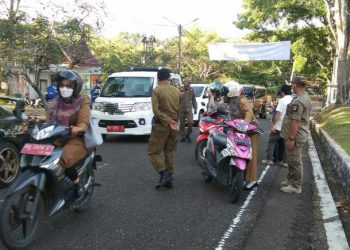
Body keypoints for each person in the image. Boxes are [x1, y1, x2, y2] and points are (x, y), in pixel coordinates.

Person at [46, 70, 91, 202]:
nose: (65, 88)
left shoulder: (83, 101)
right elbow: (47, 120)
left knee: (63, 157)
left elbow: (84, 120)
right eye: (62, 85)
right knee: (40, 156)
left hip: (76, 138)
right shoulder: (54, 102)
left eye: (69, 86)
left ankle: (78, 185)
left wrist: (79, 128)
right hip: (57, 137)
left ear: (75, 88)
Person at [147, 68, 181, 189]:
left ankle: (164, 172)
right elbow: (180, 110)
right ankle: (169, 178)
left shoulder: (157, 91)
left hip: (162, 125)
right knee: (169, 151)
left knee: (152, 152)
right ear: (169, 78)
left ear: (158, 77)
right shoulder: (176, 90)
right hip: (174, 125)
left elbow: (156, 111)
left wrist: (168, 121)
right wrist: (175, 123)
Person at [224, 81, 259, 190]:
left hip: (251, 131)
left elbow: (248, 113)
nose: (223, 95)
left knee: (250, 155)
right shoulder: (232, 101)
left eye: (225, 92)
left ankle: (252, 180)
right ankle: (241, 176)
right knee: (239, 152)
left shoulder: (241, 100)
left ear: (231, 92)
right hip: (241, 130)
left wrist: (244, 124)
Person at [280, 76, 311, 193]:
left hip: (296, 136)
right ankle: (290, 180)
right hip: (297, 134)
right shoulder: (304, 97)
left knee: (295, 161)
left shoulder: (299, 101)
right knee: (291, 160)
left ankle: (296, 186)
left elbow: (295, 121)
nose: (291, 86)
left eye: (292, 84)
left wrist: (291, 138)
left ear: (295, 85)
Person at [262, 85, 293, 166]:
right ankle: (285, 161)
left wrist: (273, 125)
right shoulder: (294, 100)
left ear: (283, 92)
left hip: (279, 126)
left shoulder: (282, 100)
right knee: (285, 145)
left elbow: (278, 113)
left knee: (272, 142)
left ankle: (269, 159)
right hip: (288, 127)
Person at [179, 77, 197, 142]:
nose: (189, 84)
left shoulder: (191, 90)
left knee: (190, 123)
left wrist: (195, 108)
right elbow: (176, 99)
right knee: (182, 124)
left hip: (189, 109)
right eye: (188, 82)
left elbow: (194, 100)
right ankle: (183, 136)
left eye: (190, 83)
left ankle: (188, 134)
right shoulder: (180, 89)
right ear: (185, 82)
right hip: (181, 109)